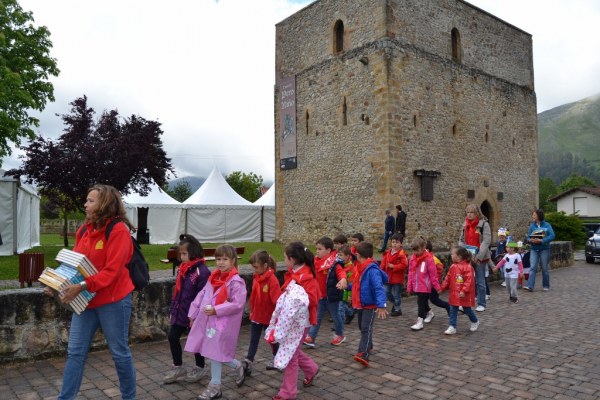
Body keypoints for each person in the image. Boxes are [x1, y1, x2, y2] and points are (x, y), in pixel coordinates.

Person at [44, 184, 137, 400]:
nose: (85, 204)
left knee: (119, 353)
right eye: (87, 200)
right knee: (75, 352)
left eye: (91, 200)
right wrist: (55, 283)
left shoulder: (119, 230)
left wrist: (81, 286)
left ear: (104, 204)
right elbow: (72, 265)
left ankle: (129, 397)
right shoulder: (84, 230)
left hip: (113, 301)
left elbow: (112, 272)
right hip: (86, 301)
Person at [185, 245, 247, 400]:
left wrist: (217, 310)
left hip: (223, 324)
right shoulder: (213, 278)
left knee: (214, 352)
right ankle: (237, 366)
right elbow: (201, 295)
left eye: (225, 259)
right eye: (218, 259)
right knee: (215, 352)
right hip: (209, 321)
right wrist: (192, 314)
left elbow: (237, 304)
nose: (220, 262)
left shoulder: (236, 282)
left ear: (233, 261)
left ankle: (215, 386)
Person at [272, 242, 320, 400]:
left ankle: (288, 392)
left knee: (290, 355)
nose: (283, 260)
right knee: (293, 351)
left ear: (292, 259)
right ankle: (311, 368)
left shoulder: (306, 277)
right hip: (291, 322)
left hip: (301, 323)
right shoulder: (294, 273)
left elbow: (313, 300)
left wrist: (295, 298)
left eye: (285, 258)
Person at [163, 234, 211, 384]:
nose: (182, 257)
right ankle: (178, 366)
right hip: (180, 311)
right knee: (172, 336)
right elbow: (178, 291)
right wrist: (173, 309)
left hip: (194, 315)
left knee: (196, 340)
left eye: (184, 254)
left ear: (194, 252)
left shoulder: (202, 272)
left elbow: (204, 296)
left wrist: (196, 315)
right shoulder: (183, 269)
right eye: (180, 254)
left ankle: (200, 367)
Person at [244, 250, 282, 376]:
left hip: (268, 318)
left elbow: (277, 301)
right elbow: (253, 296)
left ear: (265, 266)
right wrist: (252, 310)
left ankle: (278, 360)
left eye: (256, 267)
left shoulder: (272, 280)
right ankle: (248, 361)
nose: (254, 270)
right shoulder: (256, 277)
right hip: (256, 316)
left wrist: (278, 318)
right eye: (253, 267)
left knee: (272, 340)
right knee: (253, 340)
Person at [304, 237, 347, 347]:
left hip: (331, 296)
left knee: (336, 316)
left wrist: (343, 279)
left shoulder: (334, 262)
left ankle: (340, 334)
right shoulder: (316, 261)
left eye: (320, 249)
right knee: (317, 317)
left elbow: (341, 272)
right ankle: (311, 337)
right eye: (316, 249)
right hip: (320, 295)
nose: (317, 251)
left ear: (328, 250)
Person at [352, 241, 388, 367]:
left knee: (365, 329)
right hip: (361, 304)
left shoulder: (372, 270)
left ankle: (364, 353)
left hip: (370, 305)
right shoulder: (360, 268)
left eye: (356, 254)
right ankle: (369, 345)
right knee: (362, 328)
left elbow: (379, 288)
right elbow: (357, 285)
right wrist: (346, 286)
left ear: (360, 255)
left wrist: (381, 305)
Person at [458, 204, 492, 312]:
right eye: (468, 212)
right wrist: (463, 253)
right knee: (466, 281)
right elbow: (461, 240)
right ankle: (465, 304)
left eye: (472, 212)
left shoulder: (484, 224)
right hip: (468, 257)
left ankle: (482, 303)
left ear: (477, 213)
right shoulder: (464, 225)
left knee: (480, 281)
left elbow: (486, 241)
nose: (469, 214)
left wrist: (478, 256)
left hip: (479, 257)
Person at [439, 246, 480, 335]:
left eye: (452, 254)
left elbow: (469, 281)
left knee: (467, 309)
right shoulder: (453, 266)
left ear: (459, 256)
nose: (451, 255)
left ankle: (475, 321)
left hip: (464, 294)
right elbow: (447, 278)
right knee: (452, 309)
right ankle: (452, 326)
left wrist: (463, 291)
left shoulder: (468, 267)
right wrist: (442, 288)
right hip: (454, 293)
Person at [406, 237, 441, 330]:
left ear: (423, 247)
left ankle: (420, 321)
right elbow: (410, 273)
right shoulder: (412, 259)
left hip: (425, 286)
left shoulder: (429, 259)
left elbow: (433, 274)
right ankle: (430, 312)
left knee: (420, 303)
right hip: (417, 285)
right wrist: (409, 287)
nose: (416, 253)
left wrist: (437, 287)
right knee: (423, 302)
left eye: (418, 250)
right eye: (414, 251)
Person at [524, 209, 556, 291]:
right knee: (532, 267)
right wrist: (530, 240)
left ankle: (546, 285)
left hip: (544, 249)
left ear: (539, 216)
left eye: (534, 215)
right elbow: (528, 237)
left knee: (544, 268)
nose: (532, 216)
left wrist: (542, 240)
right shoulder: (532, 226)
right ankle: (530, 286)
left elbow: (552, 236)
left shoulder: (547, 225)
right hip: (534, 249)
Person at [380, 233, 408, 316]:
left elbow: (404, 265)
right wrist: (381, 272)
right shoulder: (387, 253)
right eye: (393, 242)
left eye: (397, 242)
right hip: (387, 277)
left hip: (397, 278)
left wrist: (394, 266)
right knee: (386, 292)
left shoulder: (402, 254)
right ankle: (395, 304)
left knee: (396, 295)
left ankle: (397, 309)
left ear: (401, 244)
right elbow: (382, 264)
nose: (394, 244)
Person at [425, 240, 450, 317]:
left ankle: (447, 306)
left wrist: (433, 282)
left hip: (432, 285)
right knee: (422, 299)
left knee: (434, 300)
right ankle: (428, 313)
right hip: (424, 284)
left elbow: (440, 271)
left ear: (427, 250)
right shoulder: (420, 258)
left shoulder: (434, 259)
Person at [335, 244, 356, 324]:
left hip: (346, 291)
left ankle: (338, 324)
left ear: (347, 256)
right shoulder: (338, 264)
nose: (339, 257)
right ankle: (350, 313)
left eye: (341, 255)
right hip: (339, 289)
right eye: (338, 255)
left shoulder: (350, 268)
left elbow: (351, 283)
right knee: (342, 306)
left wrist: (350, 295)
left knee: (341, 306)